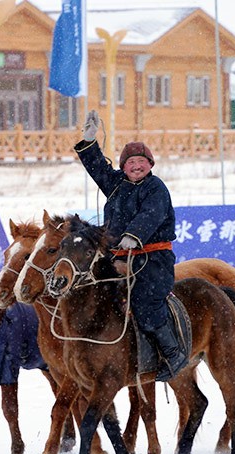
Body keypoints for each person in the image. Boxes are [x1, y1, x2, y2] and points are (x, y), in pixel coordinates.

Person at [73, 110, 187, 382]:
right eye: (131, 162)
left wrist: (133, 236)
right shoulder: (115, 184)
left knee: (146, 303)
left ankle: (173, 354)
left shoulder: (156, 188)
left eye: (142, 162)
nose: (136, 167)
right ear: (123, 166)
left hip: (153, 258)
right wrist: (89, 140)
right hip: (116, 257)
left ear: (150, 165)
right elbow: (97, 167)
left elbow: (151, 214)